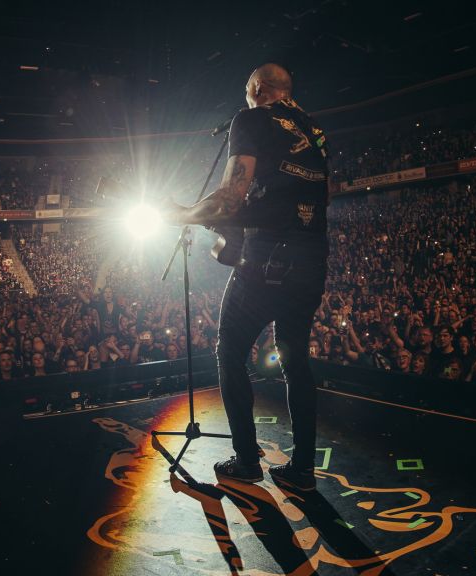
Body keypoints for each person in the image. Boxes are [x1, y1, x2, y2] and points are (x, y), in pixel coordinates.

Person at [165, 63, 328, 491]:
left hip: (267, 259)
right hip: (313, 258)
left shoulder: (251, 119)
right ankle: (302, 471)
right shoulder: (313, 129)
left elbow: (231, 198)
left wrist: (181, 214)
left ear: (256, 88)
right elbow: (290, 197)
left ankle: (247, 460)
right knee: (296, 362)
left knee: (230, 351)